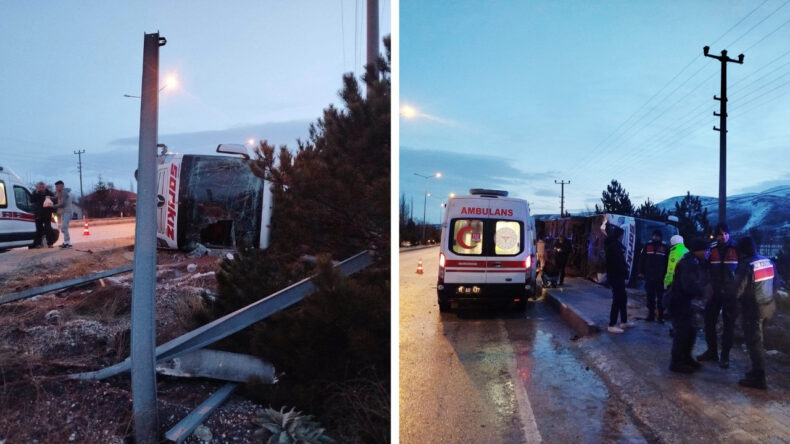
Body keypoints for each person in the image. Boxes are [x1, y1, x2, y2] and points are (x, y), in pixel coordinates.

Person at [734, 236, 781, 389]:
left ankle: (758, 377)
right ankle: (756, 370)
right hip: (767, 307)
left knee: (754, 343)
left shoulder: (746, 265)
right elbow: (776, 284)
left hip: (753, 309)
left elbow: (738, 289)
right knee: (758, 340)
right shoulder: (767, 261)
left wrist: (731, 301)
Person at [698, 223, 739, 369]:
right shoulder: (712, 249)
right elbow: (704, 268)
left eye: (725, 233)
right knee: (709, 321)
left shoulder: (736, 248)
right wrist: (705, 285)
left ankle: (725, 356)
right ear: (716, 235)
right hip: (714, 292)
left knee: (729, 325)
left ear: (729, 234)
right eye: (720, 234)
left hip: (730, 294)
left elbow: (743, 270)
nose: (723, 236)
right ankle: (712, 352)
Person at [668, 237, 711, 373]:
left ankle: (686, 358)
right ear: (698, 251)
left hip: (685, 302)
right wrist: (702, 291)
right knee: (682, 332)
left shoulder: (694, 261)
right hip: (678, 301)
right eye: (705, 250)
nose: (707, 253)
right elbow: (688, 285)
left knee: (691, 332)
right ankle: (676, 362)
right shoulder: (689, 263)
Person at [606, 225, 633, 333]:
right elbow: (616, 264)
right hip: (616, 277)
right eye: (622, 235)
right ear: (619, 235)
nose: (622, 237)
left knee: (623, 299)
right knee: (617, 300)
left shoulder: (615, 246)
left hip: (618, 277)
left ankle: (623, 321)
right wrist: (623, 271)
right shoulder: (614, 247)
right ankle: (611, 325)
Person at [639, 229, 669, 322]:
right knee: (650, 296)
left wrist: (666, 275)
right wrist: (641, 271)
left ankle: (660, 316)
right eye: (654, 236)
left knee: (660, 297)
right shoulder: (648, 246)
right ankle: (650, 315)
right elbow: (642, 259)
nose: (655, 237)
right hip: (649, 275)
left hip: (660, 277)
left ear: (660, 237)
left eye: (657, 236)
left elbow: (668, 263)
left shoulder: (665, 247)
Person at [662, 234, 689, 318]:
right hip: (684, 281)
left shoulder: (674, 251)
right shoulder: (686, 250)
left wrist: (667, 282)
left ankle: (675, 326)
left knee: (672, 304)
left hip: (675, 282)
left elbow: (671, 269)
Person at [30, 182, 56, 248]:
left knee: (48, 228)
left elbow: (55, 199)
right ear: (38, 187)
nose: (41, 188)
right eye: (40, 187)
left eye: (42, 187)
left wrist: (50, 198)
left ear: (45, 187)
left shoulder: (49, 193)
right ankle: (38, 244)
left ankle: (50, 243)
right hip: (38, 214)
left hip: (47, 213)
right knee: (39, 229)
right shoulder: (35, 193)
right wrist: (36, 193)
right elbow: (31, 200)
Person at [52, 180, 73, 249]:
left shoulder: (64, 193)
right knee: (64, 228)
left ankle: (69, 243)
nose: (56, 188)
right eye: (56, 187)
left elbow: (63, 204)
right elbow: (55, 197)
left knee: (64, 228)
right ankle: (66, 242)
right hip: (64, 212)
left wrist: (53, 206)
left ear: (62, 186)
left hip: (67, 212)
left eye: (57, 186)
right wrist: (49, 197)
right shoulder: (60, 192)